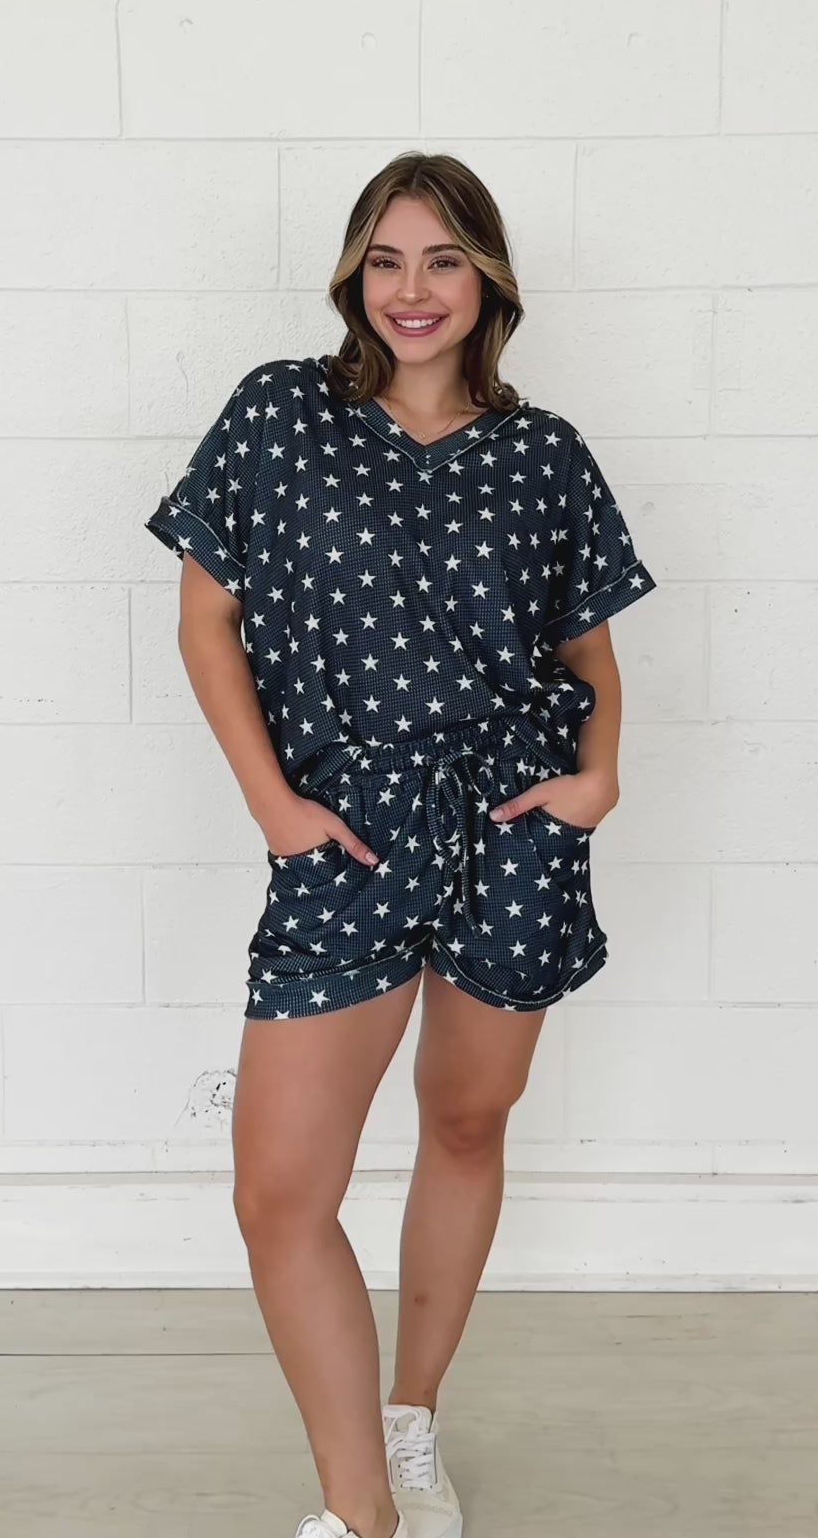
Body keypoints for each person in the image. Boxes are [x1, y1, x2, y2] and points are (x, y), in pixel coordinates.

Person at [144, 152, 656, 1538]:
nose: (411, 289)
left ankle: (411, 1424)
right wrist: (274, 805)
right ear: (351, 275)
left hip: (513, 825)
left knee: (468, 1120)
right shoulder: (279, 414)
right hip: (346, 831)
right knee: (279, 1193)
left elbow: (590, 652)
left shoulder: (545, 454)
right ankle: (361, 1511)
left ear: (487, 278)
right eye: (385, 259)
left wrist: (599, 779)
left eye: (441, 260)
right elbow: (204, 619)